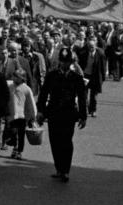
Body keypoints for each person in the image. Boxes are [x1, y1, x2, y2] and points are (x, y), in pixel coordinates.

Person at [36, 47, 88, 183]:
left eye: (67, 62)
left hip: (68, 114)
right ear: (59, 61)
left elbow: (82, 98)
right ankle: (58, 168)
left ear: (71, 62)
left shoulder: (76, 78)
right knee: (55, 141)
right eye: (62, 61)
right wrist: (40, 111)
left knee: (66, 142)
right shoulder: (51, 75)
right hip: (53, 113)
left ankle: (65, 170)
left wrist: (83, 116)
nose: (64, 64)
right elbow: (43, 95)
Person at [6, 68, 37, 161]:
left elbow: (31, 103)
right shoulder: (10, 86)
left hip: (23, 116)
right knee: (13, 133)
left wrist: (33, 116)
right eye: (14, 76)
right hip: (12, 115)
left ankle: (19, 151)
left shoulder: (27, 89)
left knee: (21, 135)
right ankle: (14, 147)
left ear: (22, 78)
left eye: (17, 77)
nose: (14, 78)